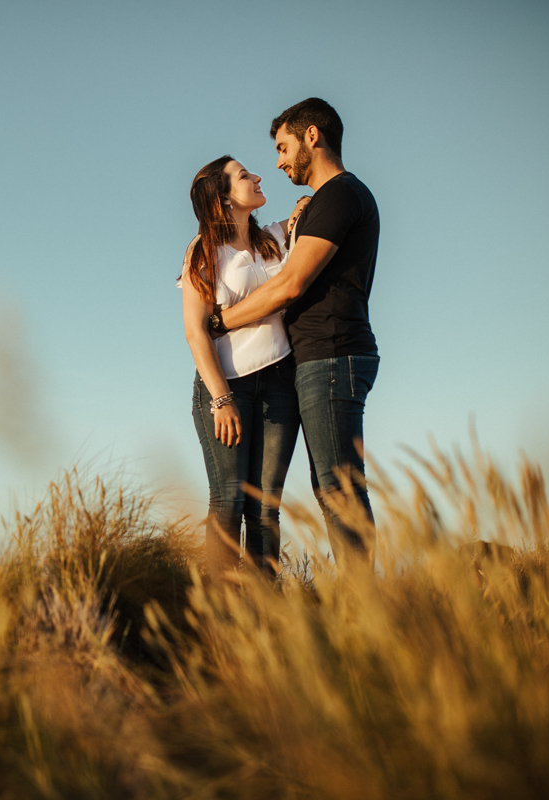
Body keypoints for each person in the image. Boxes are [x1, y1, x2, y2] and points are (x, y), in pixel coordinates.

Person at [213, 98, 380, 566]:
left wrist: (221, 321)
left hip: (332, 354)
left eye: (283, 147)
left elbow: (290, 284)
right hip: (321, 357)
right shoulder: (325, 202)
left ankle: (364, 602)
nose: (279, 162)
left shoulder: (340, 194)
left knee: (338, 488)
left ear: (312, 136)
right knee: (331, 486)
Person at [179, 156, 310, 577]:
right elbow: (196, 332)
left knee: (265, 507)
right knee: (229, 500)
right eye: (243, 175)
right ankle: (219, 606)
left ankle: (264, 608)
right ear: (223, 198)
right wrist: (221, 399)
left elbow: (304, 217)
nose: (256, 177)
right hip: (226, 387)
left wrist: (303, 205)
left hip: (280, 384)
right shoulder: (203, 251)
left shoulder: (272, 238)